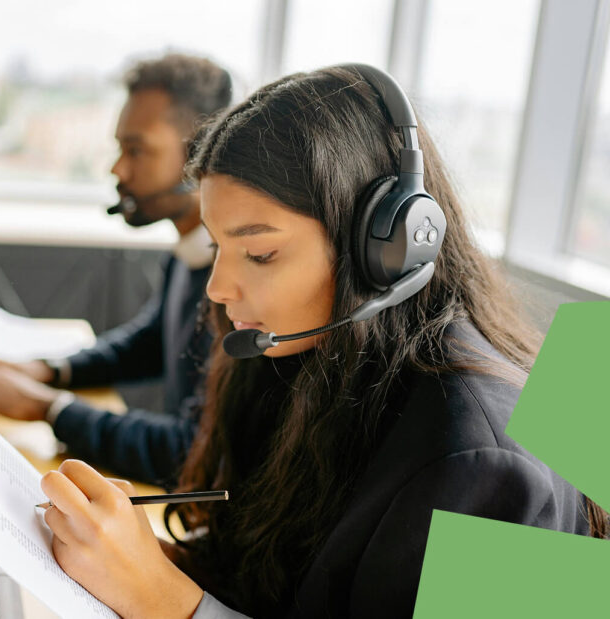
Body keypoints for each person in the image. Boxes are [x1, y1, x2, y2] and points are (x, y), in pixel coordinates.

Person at [35, 65, 607, 619]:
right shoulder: (307, 359)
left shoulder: (485, 465)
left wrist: (163, 601)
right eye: (216, 248)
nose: (218, 287)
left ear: (384, 251)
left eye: (259, 253)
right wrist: (139, 559)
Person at [0, 53, 233, 487]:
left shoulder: (234, 286)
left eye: (136, 150)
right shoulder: (191, 251)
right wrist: (49, 371)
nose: (117, 169)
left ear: (200, 156)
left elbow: (190, 449)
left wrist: (50, 407)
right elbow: (149, 342)